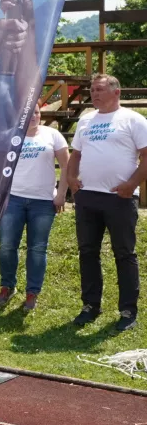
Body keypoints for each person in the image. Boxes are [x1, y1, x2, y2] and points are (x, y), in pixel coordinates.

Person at [0, 105, 68, 312]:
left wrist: (61, 194)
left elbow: (66, 165)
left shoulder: (53, 135)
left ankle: (32, 292)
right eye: (30, 112)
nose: (34, 116)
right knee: (7, 246)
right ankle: (7, 286)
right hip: (12, 200)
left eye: (37, 112)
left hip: (43, 202)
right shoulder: (8, 137)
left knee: (37, 249)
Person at [65, 74, 147, 331]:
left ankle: (127, 311)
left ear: (117, 92)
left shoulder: (133, 120)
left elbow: (146, 156)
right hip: (88, 196)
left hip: (120, 198)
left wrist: (131, 184)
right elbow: (75, 154)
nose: (94, 94)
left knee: (124, 254)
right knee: (87, 252)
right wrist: (70, 179)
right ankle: (90, 306)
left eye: (100, 90)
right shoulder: (86, 120)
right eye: (92, 90)